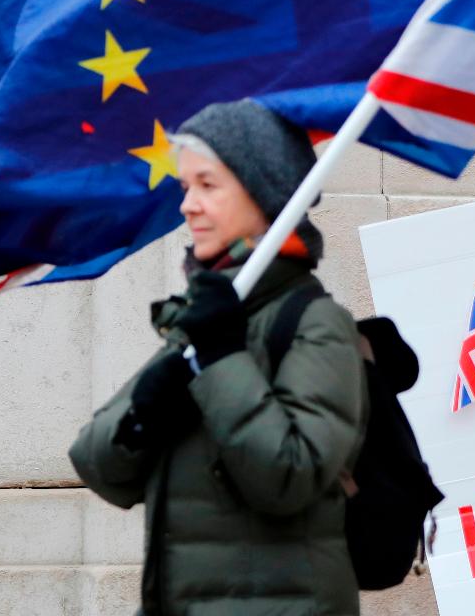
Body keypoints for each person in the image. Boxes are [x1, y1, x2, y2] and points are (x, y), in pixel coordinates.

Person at [70, 100, 367, 615]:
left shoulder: (316, 323)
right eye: (187, 187)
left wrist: (222, 360)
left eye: (208, 185)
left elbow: (289, 479)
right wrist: (147, 409)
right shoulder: (207, 317)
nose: (187, 205)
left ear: (265, 191)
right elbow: (97, 465)